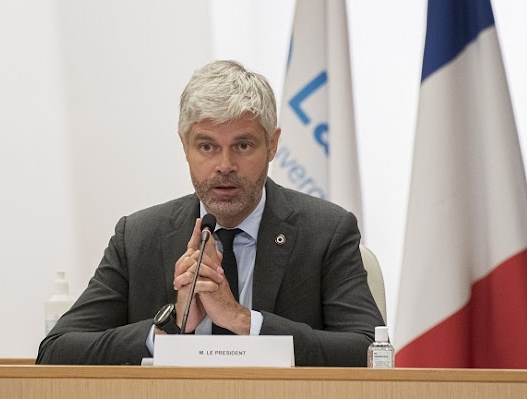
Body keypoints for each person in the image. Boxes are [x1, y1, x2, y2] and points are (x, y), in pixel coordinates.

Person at [36, 60, 383, 366]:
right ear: (184, 146)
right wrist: (168, 329)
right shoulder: (139, 236)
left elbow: (371, 351)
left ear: (273, 144)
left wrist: (242, 320)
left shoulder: (326, 231)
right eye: (207, 146)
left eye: (243, 145)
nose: (224, 166)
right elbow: (56, 350)